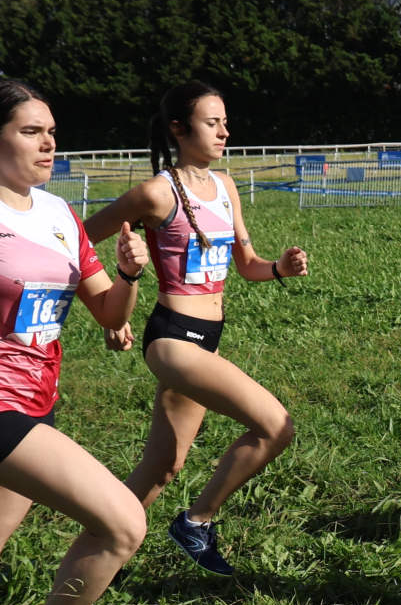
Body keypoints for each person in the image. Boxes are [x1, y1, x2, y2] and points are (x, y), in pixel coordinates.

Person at [83, 81, 308, 577]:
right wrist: (111, 312)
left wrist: (278, 269)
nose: (225, 131)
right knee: (275, 426)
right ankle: (196, 522)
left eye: (225, 121)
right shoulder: (154, 193)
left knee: (163, 465)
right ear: (179, 130)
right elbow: (74, 243)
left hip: (207, 336)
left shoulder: (225, 187)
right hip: (170, 338)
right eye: (213, 123)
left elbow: (246, 264)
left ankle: (100, 551)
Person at [0, 79, 150, 605]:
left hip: (40, 401)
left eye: (52, 131)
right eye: (31, 130)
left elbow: (108, 310)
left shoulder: (60, 215)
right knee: (122, 524)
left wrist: (129, 273)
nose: (49, 142)